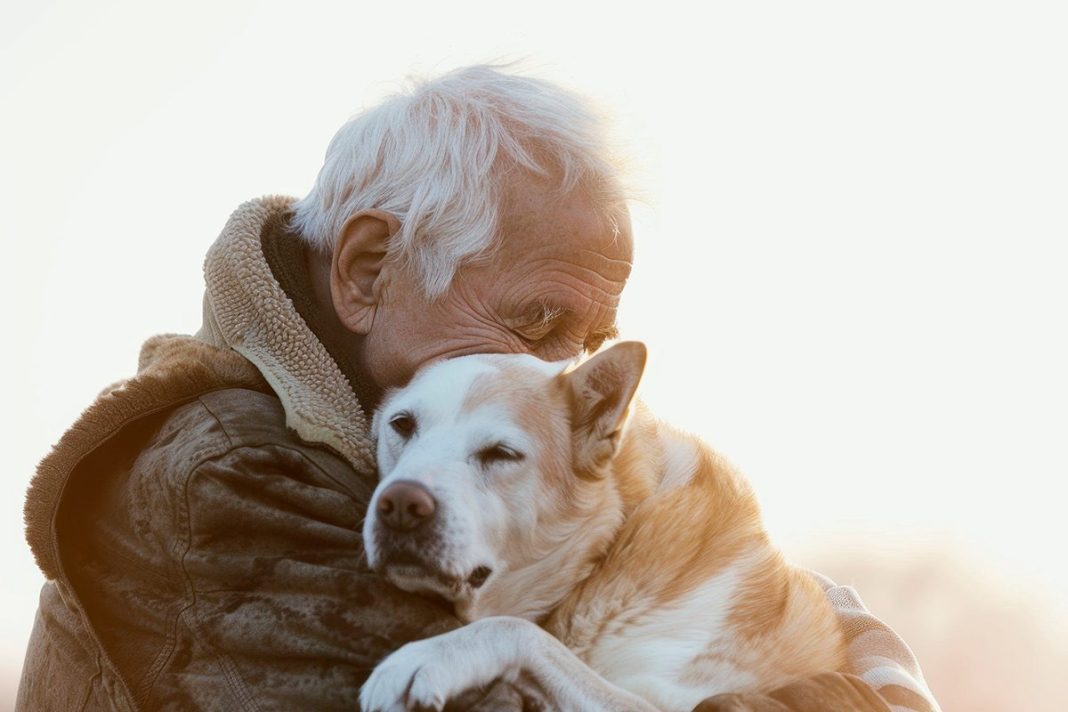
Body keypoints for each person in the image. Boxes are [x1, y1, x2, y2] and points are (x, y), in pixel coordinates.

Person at [17, 65, 940, 711]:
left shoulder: (374, 433)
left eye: (589, 341)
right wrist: (857, 687)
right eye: (535, 322)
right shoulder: (233, 477)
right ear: (369, 270)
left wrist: (817, 619)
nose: (556, 372)